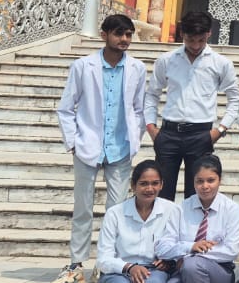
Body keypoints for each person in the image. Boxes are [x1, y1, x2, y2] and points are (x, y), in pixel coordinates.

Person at [56, 14, 150, 283]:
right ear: (104, 35)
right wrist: (73, 142)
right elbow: (66, 108)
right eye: (119, 33)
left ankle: (109, 263)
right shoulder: (83, 66)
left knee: (117, 210)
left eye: (128, 34)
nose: (124, 39)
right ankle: (76, 263)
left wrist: (135, 138)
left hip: (120, 147)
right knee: (83, 208)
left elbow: (140, 108)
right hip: (87, 146)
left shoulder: (137, 68)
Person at [146, 11, 239, 200]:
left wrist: (220, 130)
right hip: (168, 134)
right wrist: (151, 127)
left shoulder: (220, 63)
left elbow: (235, 98)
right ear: (182, 33)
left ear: (209, 34)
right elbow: (151, 95)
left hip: (201, 135)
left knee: (198, 195)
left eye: (201, 40)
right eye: (190, 40)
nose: (196, 46)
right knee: (162, 194)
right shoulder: (167, 60)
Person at [155, 155, 239, 283]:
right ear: (193, 181)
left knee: (192, 265)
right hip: (183, 269)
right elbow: (163, 248)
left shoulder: (231, 209)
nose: (205, 186)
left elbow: (231, 251)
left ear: (220, 180)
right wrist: (191, 246)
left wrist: (190, 255)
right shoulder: (182, 207)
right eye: (199, 181)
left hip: (220, 269)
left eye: (211, 180)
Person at [97, 160, 177, 283]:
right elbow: (103, 258)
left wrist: (169, 262)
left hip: (153, 271)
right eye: (143, 184)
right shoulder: (115, 213)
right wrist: (129, 268)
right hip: (119, 271)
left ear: (161, 185)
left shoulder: (172, 210)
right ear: (133, 185)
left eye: (155, 183)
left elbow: (179, 246)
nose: (149, 189)